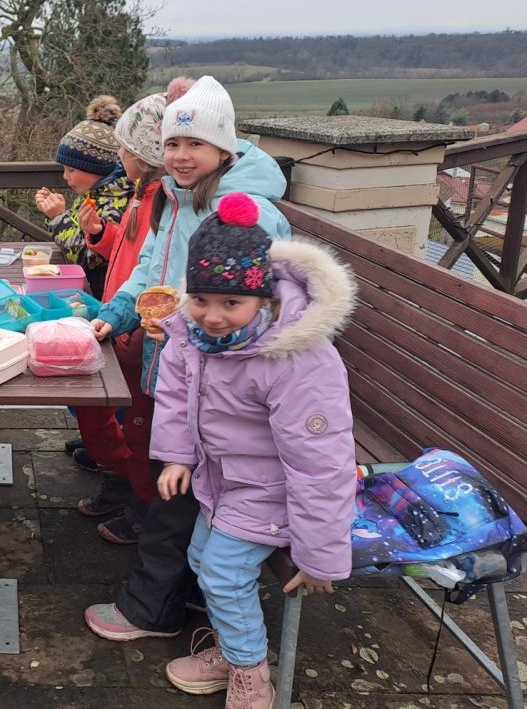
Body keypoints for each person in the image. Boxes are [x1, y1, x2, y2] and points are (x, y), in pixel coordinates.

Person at [85, 75, 292, 642]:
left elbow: (263, 303)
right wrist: (119, 313)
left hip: (219, 382)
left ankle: (151, 610)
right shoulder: (175, 198)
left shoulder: (241, 212)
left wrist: (189, 321)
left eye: (195, 143)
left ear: (223, 148)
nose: (180, 155)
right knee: (174, 484)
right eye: (172, 144)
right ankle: (193, 594)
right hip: (178, 369)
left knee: (173, 493)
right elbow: (150, 270)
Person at [152, 192, 357, 708]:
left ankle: (251, 675)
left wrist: (319, 556)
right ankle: (232, 649)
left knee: (222, 575)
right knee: (201, 558)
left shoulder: (295, 359)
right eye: (201, 299)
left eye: (230, 304)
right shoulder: (192, 335)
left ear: (263, 299)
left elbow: (321, 461)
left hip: (273, 490)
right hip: (224, 479)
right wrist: (177, 457)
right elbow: (175, 395)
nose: (211, 316)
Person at [73, 79, 192, 544]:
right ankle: (122, 479)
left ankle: (139, 502)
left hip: (142, 334)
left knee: (137, 427)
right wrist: (99, 234)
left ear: (142, 155)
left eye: (123, 149)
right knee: (115, 416)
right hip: (123, 320)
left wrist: (127, 320)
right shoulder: (146, 197)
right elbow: (132, 258)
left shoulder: (162, 201)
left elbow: (155, 274)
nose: (118, 157)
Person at [34, 113, 133, 300]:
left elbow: (86, 258)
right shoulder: (97, 193)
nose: (65, 176)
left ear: (96, 168)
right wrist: (57, 212)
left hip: (104, 298)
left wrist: (59, 217)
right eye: (64, 169)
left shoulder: (115, 203)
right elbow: (80, 232)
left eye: (72, 169)